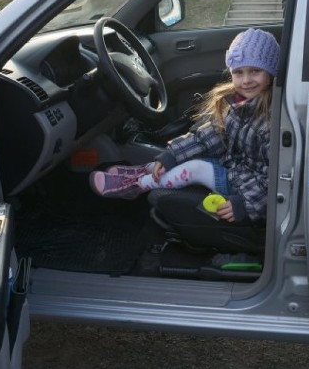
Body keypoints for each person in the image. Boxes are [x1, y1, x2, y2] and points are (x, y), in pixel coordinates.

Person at [89, 28, 280, 224]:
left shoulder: (271, 120)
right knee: (185, 154)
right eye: (239, 72)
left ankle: (138, 185)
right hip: (234, 166)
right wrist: (171, 155)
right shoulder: (238, 103)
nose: (246, 80)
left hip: (246, 186)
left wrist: (245, 204)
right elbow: (209, 135)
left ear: (271, 72)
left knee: (195, 168)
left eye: (255, 71)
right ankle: (142, 171)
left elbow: (276, 176)